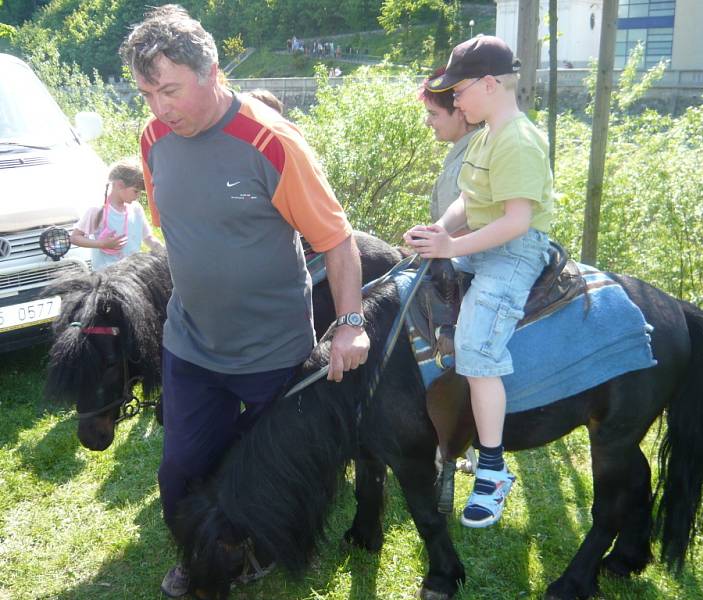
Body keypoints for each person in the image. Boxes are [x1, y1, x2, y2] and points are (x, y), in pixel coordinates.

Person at [119, 5, 369, 597]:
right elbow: (175, 230)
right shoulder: (153, 139)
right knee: (180, 466)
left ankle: (253, 549)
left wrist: (351, 322)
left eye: (171, 90)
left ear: (212, 73)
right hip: (192, 344)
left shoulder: (271, 140)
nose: (160, 108)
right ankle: (197, 553)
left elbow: (337, 241)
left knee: (266, 468)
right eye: (147, 93)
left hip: (272, 351)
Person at [404, 35, 554, 529]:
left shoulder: (517, 138)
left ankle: (492, 468)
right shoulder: (489, 133)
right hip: (482, 245)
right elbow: (468, 203)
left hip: (511, 253)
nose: (456, 99)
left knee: (475, 346)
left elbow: (515, 221)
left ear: (489, 84)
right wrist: (437, 233)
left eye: (460, 89)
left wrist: (451, 248)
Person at [70, 158, 163, 270]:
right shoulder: (97, 210)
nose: (137, 196)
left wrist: (165, 252)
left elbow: (148, 238)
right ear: (119, 185)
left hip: (131, 276)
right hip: (105, 278)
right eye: (135, 191)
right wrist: (102, 244)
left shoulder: (136, 209)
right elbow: (75, 237)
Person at [420, 66, 481, 221]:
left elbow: (453, 236)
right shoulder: (486, 147)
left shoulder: (459, 168)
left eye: (433, 114)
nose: (428, 122)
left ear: (460, 110)